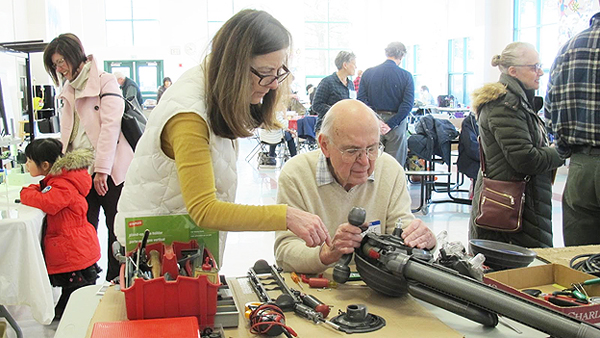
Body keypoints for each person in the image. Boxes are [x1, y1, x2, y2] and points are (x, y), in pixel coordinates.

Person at [115, 9, 331, 261]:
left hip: (180, 243)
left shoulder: (212, 90)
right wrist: (286, 216)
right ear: (234, 66)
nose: (274, 83)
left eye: (279, 71)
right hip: (152, 251)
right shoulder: (189, 115)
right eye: (265, 72)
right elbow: (204, 209)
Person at [274, 100, 436, 273]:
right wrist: (327, 253)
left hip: (375, 288)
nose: (365, 161)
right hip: (316, 286)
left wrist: (425, 242)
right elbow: (285, 252)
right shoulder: (296, 175)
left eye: (372, 148)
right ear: (324, 145)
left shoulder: (390, 170)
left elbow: (403, 231)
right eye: (352, 151)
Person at [43, 33, 134, 281]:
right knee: (82, 228)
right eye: (55, 65)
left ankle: (118, 280)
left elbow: (110, 127)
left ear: (75, 55)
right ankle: (84, 280)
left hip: (111, 169)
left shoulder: (105, 81)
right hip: (79, 172)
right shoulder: (68, 88)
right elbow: (68, 132)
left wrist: (102, 169)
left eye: (61, 62)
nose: (59, 68)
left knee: (116, 228)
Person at [469, 42, 563, 248]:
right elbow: (526, 160)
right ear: (513, 71)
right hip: (509, 213)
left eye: (540, 66)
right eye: (534, 67)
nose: (540, 72)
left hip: (522, 207)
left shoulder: (518, 103)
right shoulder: (505, 105)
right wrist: (562, 151)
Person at [20, 138, 100, 319]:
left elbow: (47, 201)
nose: (26, 165)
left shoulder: (62, 184)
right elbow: (46, 192)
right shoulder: (61, 180)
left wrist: (25, 193)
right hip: (75, 245)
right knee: (73, 293)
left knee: (76, 294)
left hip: (73, 248)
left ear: (45, 165)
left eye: (29, 161)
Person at [546, 9, 600, 246]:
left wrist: (565, 149)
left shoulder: (569, 48)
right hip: (579, 160)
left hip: (581, 168)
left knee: (580, 260)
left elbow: (550, 110)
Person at [358, 42, 414, 167]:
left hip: (371, 122)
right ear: (402, 56)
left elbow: (361, 100)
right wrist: (390, 124)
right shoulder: (406, 76)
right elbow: (407, 104)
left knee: (370, 164)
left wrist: (376, 120)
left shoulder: (368, 73)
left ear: (386, 53)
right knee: (394, 166)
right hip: (396, 124)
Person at [312, 51, 357, 131]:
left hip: (344, 127)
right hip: (327, 128)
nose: (356, 67)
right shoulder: (327, 82)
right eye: (353, 64)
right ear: (345, 65)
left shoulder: (350, 84)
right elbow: (316, 105)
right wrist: (336, 111)